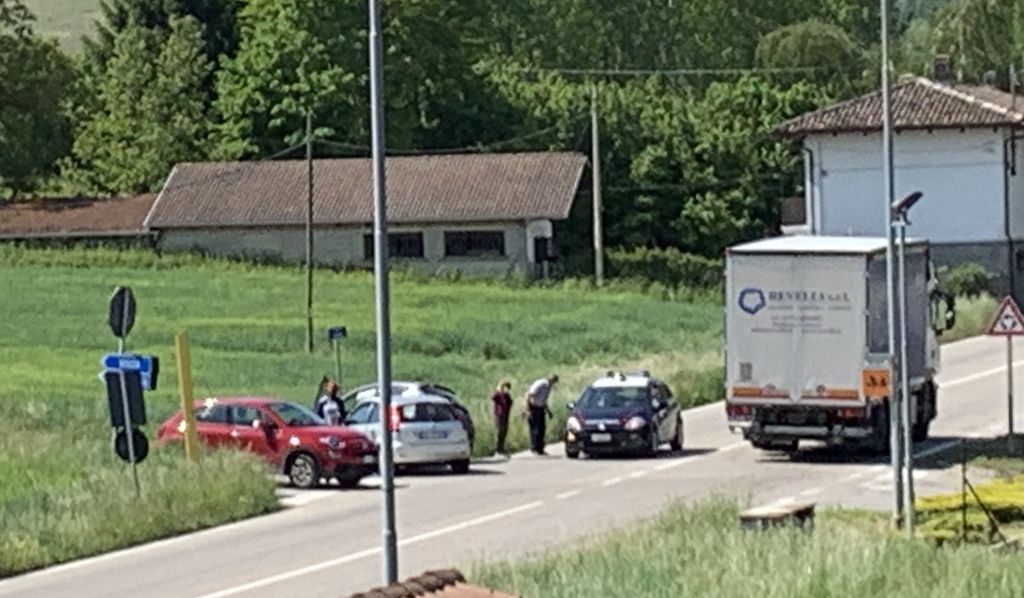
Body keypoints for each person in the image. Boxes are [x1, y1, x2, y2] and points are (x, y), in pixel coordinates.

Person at [525, 374, 558, 455]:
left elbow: (543, 400)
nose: (554, 383)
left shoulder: (548, 387)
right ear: (551, 379)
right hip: (534, 408)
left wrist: (548, 411)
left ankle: (540, 448)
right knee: (535, 429)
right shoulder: (541, 384)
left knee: (542, 429)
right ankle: (534, 448)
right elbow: (529, 396)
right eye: (553, 381)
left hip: (540, 408)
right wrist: (528, 410)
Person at [491, 379, 513, 455]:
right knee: (499, 432)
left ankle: (502, 447)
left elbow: (510, 402)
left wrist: (506, 394)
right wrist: (499, 390)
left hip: (506, 416)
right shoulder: (498, 394)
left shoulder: (507, 395)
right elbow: (493, 397)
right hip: (499, 415)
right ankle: (497, 449)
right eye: (506, 387)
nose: (507, 389)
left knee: (504, 432)